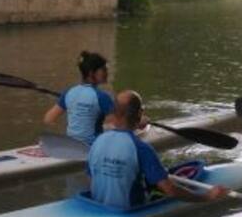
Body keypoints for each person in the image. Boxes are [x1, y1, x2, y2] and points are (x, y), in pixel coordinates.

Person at [87, 90, 229, 210]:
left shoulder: (97, 141)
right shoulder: (141, 149)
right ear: (140, 113)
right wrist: (207, 196)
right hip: (127, 211)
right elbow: (170, 190)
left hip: (97, 207)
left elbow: (94, 175)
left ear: (114, 112)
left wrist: (135, 121)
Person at [43, 50, 114, 146]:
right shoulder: (102, 97)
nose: (107, 72)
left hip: (71, 145)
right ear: (91, 73)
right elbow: (119, 124)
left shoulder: (68, 93)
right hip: (92, 147)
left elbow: (48, 119)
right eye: (104, 69)